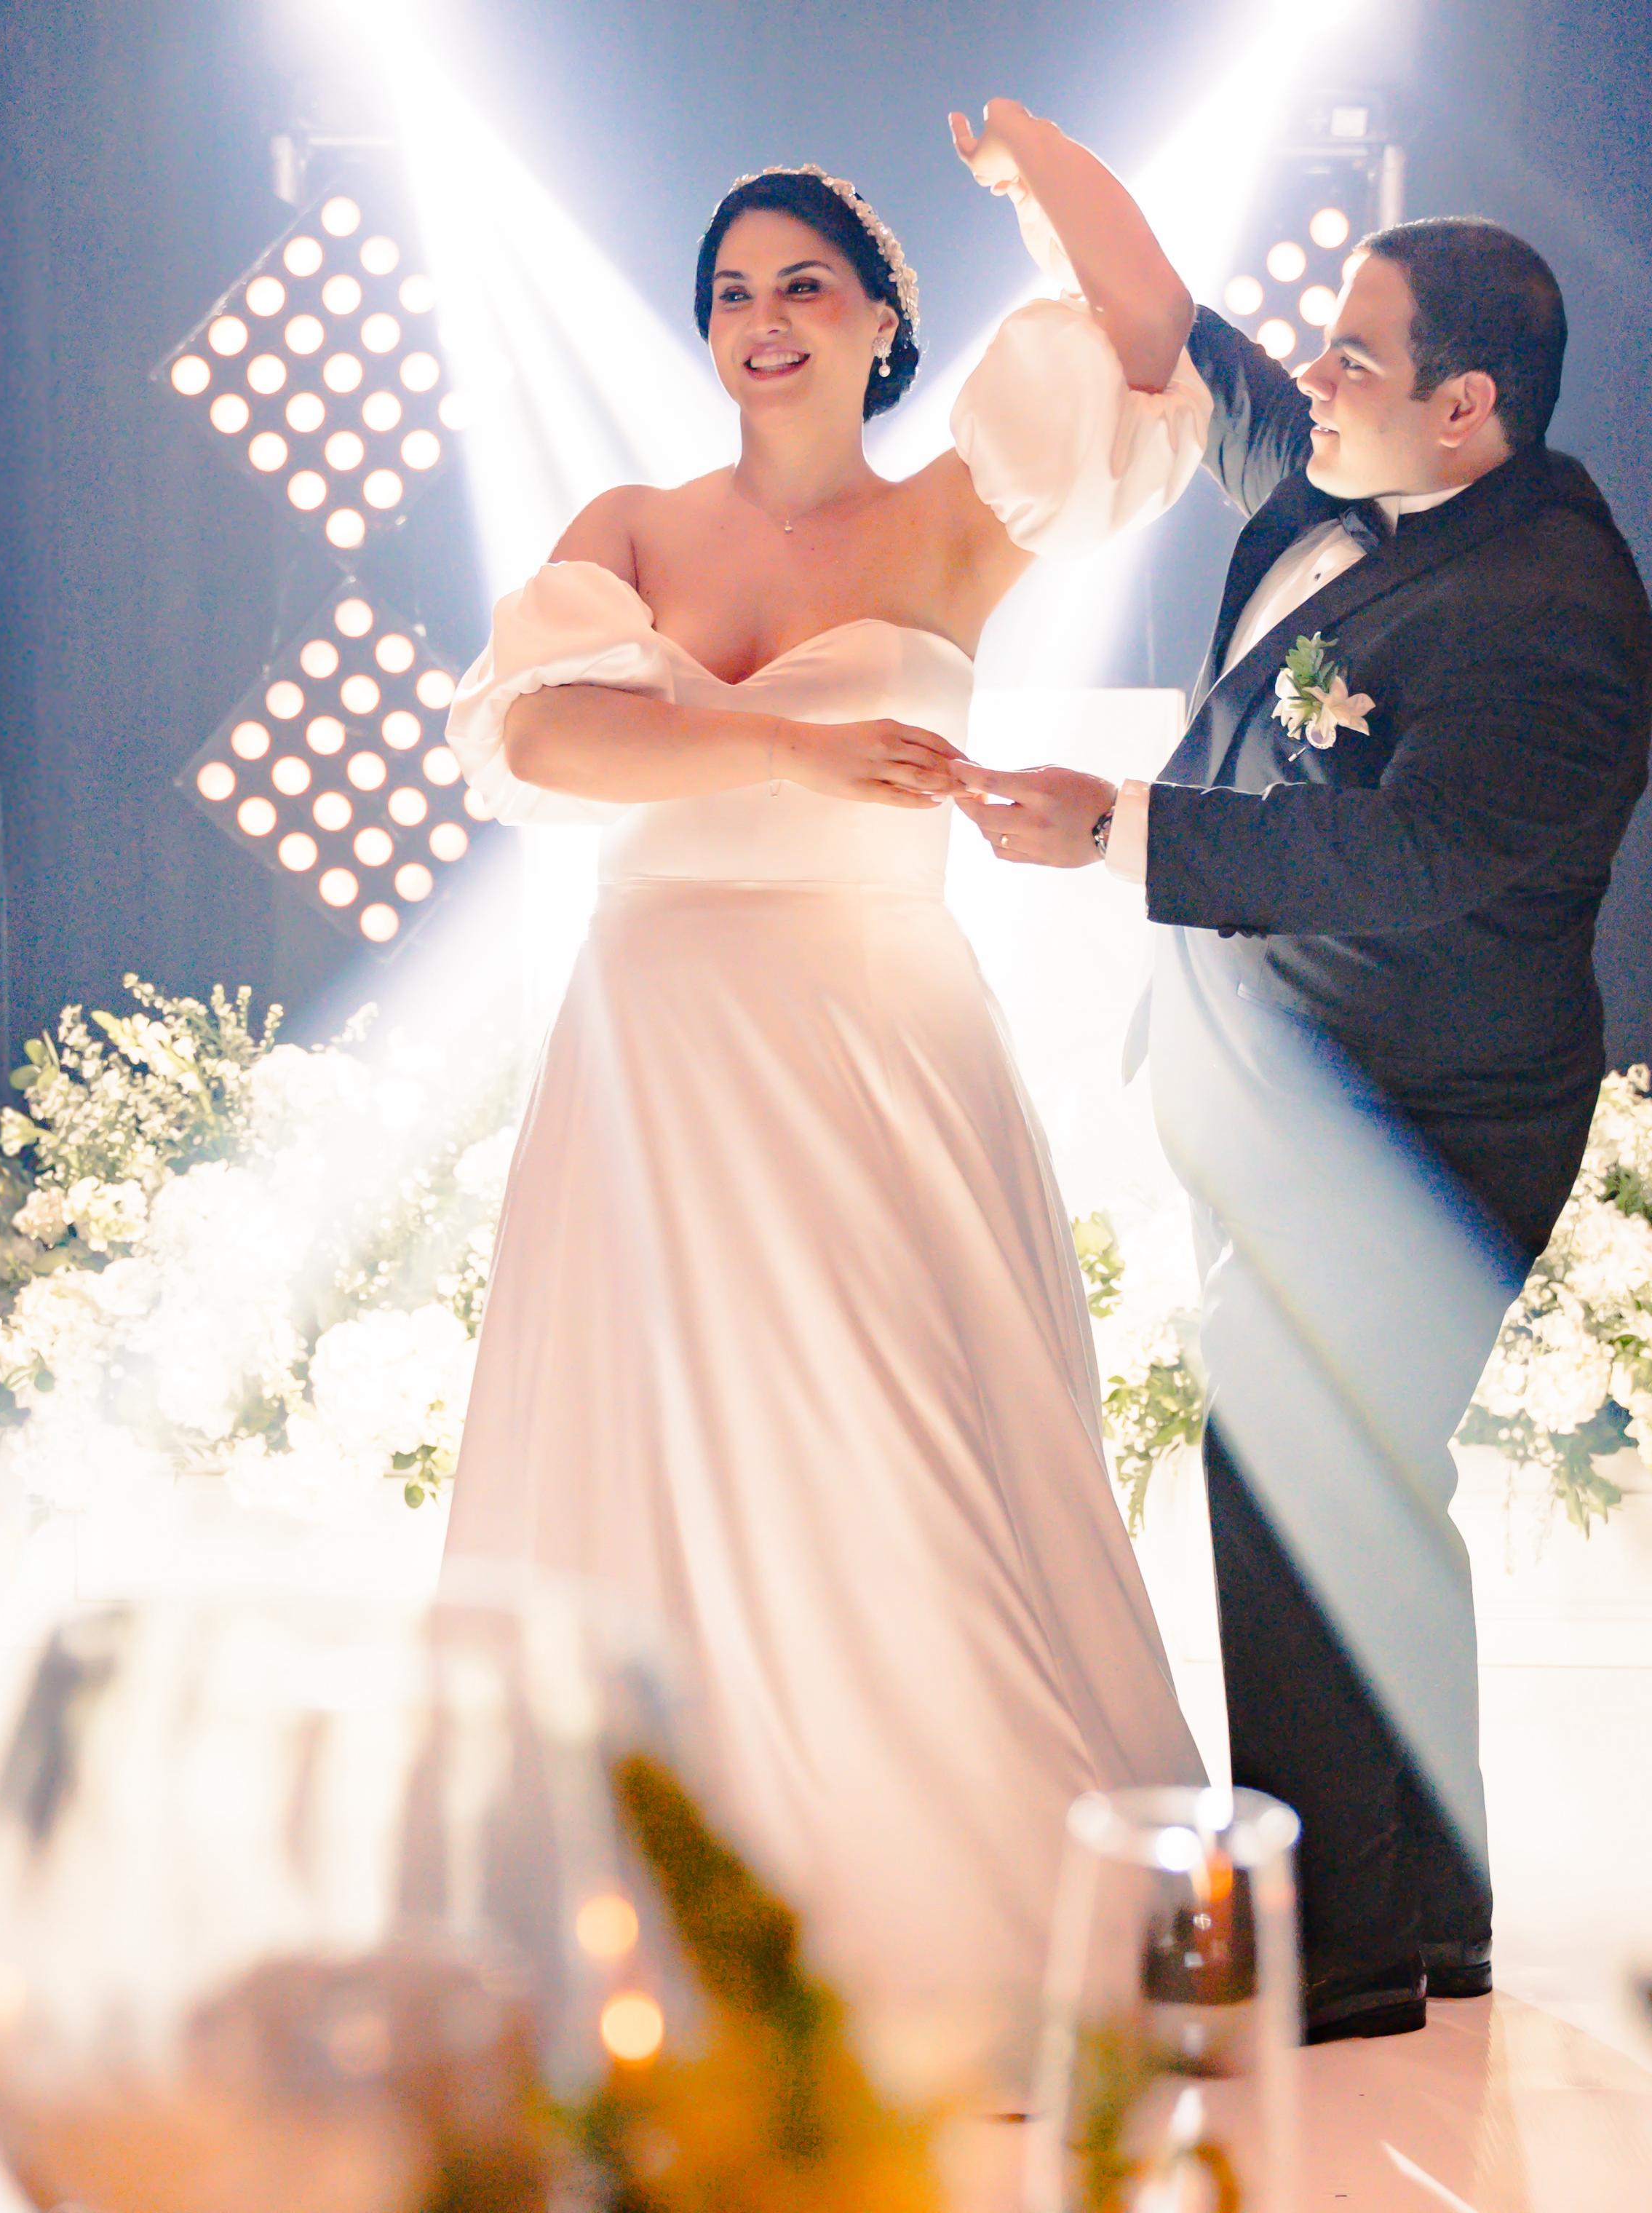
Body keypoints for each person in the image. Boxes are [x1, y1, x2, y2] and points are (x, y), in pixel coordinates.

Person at [440, 124, 1214, 2070]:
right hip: (655, 1045)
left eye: (803, 286)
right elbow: (537, 738)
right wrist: (782, 758)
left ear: (883, 321)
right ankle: (651, 1917)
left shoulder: (959, 515)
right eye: (731, 292)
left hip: (872, 1039)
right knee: (639, 1455)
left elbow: (1143, 329)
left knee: (903, 1444)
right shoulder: (631, 523)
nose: (761, 323)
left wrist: (1042, 165)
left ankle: (957, 1925)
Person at [958, 167, 1652, 2040]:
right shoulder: (1369, 482)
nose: (1317, 374)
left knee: (1293, 1485)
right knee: (1357, 1491)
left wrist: (1115, 830)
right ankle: (1431, 1911)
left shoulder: (1548, 601)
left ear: (1469, 405)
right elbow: (1183, 342)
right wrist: (1052, 185)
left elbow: (1411, 851)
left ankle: (1331, 1957)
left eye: (1358, 352)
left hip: (1426, 1117)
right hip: (1301, 1096)